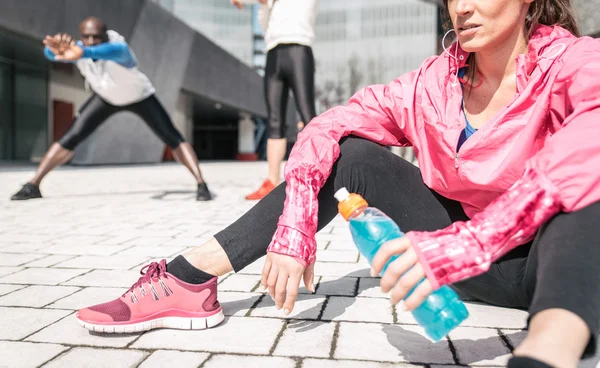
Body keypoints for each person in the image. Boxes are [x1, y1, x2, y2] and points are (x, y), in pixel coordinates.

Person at [76, 1, 600, 366]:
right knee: (351, 152)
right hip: (460, 261)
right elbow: (331, 124)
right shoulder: (432, 83)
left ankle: (545, 355)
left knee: (587, 190)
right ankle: (188, 280)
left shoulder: (572, 61)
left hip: (551, 266)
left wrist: (469, 245)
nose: (460, 7)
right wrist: (296, 222)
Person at [10, 17, 213, 201]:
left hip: (139, 97)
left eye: (96, 37)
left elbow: (101, 52)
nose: (90, 41)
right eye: (86, 37)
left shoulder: (119, 49)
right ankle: (33, 185)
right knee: (70, 137)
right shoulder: (78, 49)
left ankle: (201, 184)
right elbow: (51, 54)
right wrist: (53, 50)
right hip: (106, 98)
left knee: (173, 138)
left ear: (105, 35)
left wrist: (80, 52)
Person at [232, 0, 319, 200]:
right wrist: (263, 7)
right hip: (273, 52)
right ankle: (272, 181)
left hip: (299, 50)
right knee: (274, 121)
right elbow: (264, 23)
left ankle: (321, 175)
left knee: (308, 116)